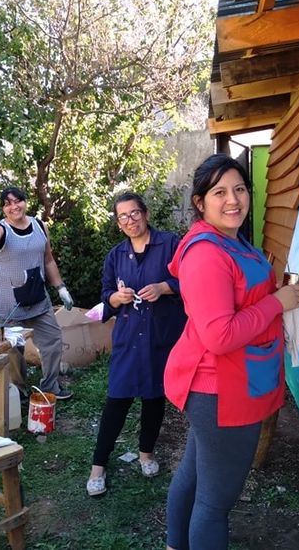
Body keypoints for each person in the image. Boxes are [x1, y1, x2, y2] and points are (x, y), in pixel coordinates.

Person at [164, 154, 299, 550]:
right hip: (220, 391)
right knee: (214, 504)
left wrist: (273, 294)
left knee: (195, 478)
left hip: (227, 383)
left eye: (240, 189)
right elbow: (220, 335)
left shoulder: (231, 239)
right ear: (200, 203)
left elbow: (240, 298)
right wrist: (277, 302)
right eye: (220, 192)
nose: (233, 200)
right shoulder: (206, 253)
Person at [85, 192, 187, 496]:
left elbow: (193, 280)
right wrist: (115, 298)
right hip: (128, 340)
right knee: (117, 400)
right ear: (118, 223)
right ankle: (98, 468)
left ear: (146, 213)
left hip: (161, 337)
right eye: (123, 217)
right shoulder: (116, 256)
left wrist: (165, 287)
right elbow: (106, 296)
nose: (130, 221)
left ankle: (146, 454)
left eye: (135, 213)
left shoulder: (171, 245)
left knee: (154, 399)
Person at [0, 186, 74, 401]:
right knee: (13, 349)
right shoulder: (1, 229)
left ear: (25, 202)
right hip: (9, 301)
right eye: (7, 203)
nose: (13, 206)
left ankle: (50, 386)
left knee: (52, 340)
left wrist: (61, 288)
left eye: (17, 201)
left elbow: (48, 260)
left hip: (38, 297)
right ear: (3, 209)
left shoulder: (39, 225)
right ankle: (17, 390)